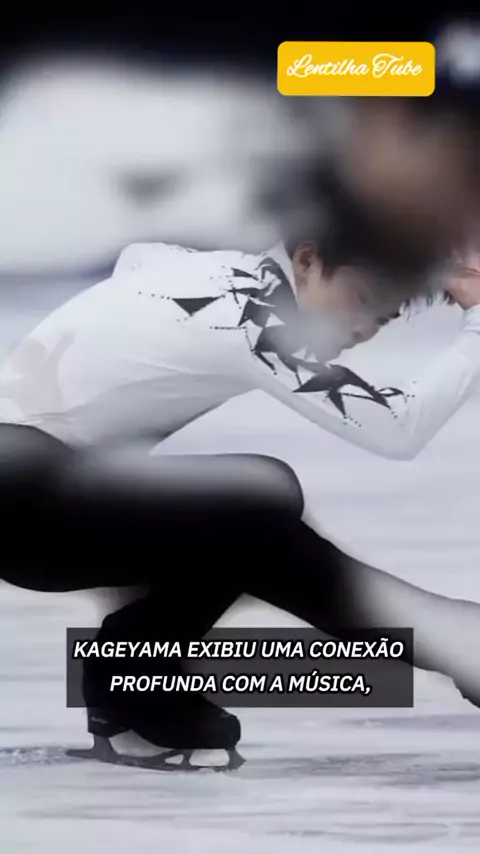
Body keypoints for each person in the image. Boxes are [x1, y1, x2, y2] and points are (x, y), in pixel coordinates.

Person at [1, 231, 480, 770]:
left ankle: (133, 690)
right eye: (363, 299)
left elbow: (139, 258)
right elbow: (396, 428)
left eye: (383, 318)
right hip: (26, 502)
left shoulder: (206, 276)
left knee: (254, 521)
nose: (363, 328)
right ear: (307, 260)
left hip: (40, 494)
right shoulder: (250, 317)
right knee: (258, 501)